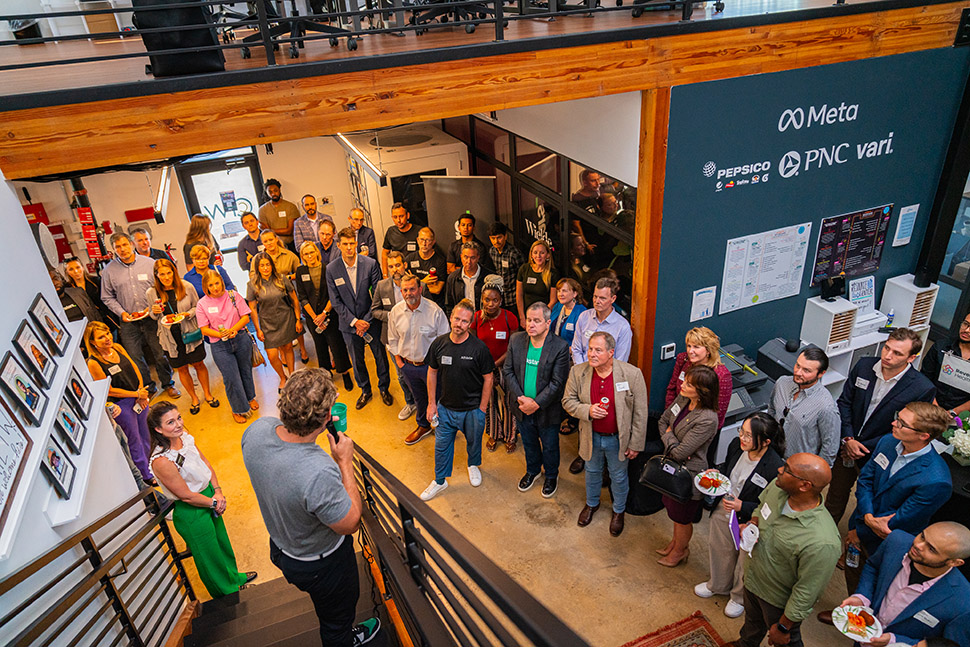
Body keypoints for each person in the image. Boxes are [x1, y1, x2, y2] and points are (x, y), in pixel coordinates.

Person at [241, 369, 381, 646]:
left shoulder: (256, 431)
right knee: (336, 621)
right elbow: (350, 522)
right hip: (321, 564)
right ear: (327, 418)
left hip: (282, 547)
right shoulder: (317, 471)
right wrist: (344, 462)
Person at [819, 402, 953, 614]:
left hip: (888, 541)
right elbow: (865, 481)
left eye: (902, 423)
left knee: (878, 585)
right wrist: (867, 518)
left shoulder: (936, 480)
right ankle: (850, 612)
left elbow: (901, 518)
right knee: (854, 572)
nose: (893, 423)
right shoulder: (888, 441)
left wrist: (860, 530)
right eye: (898, 417)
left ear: (924, 435)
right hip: (863, 522)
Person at [726, 454, 841, 647]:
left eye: (787, 469)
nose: (779, 470)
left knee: (785, 642)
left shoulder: (822, 541)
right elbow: (761, 507)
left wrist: (783, 627)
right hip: (753, 578)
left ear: (805, 486)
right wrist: (752, 524)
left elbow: (807, 592)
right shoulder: (778, 487)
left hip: (776, 601)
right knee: (752, 623)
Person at [148, 402, 256, 597]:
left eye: (178, 418)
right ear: (158, 429)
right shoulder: (162, 460)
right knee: (209, 556)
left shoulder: (185, 438)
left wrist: (217, 491)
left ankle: (234, 578)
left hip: (209, 496)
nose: (179, 424)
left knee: (222, 544)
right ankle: (227, 594)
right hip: (192, 510)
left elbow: (205, 463)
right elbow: (185, 495)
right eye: (170, 422)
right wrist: (214, 503)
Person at [828, 328, 936, 523]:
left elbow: (909, 428)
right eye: (886, 348)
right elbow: (844, 402)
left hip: (883, 453)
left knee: (869, 503)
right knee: (835, 496)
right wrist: (848, 439)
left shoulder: (922, 388)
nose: (887, 356)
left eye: (897, 353)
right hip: (847, 446)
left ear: (911, 358)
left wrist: (864, 447)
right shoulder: (864, 366)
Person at [694, 413, 785, 618]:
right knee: (719, 548)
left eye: (748, 436)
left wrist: (742, 506)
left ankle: (738, 598)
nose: (742, 438)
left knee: (744, 562)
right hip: (724, 507)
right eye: (741, 432)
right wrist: (715, 475)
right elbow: (727, 470)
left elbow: (770, 506)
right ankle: (717, 584)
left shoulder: (774, 467)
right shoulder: (736, 445)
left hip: (749, 518)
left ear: (766, 442)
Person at [562, 331, 647, 537]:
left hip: (618, 440)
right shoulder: (578, 373)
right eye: (590, 349)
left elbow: (640, 412)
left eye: (597, 350)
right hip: (591, 437)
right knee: (591, 472)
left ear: (611, 352)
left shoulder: (632, 374)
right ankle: (592, 505)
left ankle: (619, 511)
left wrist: (635, 444)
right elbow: (567, 401)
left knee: (618, 477)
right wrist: (587, 411)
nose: (591, 354)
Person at [839, 523, 970, 647]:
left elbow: (949, 644)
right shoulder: (896, 541)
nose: (918, 545)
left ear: (954, 562)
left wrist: (894, 640)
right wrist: (862, 596)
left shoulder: (963, 603)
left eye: (931, 549)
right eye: (922, 536)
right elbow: (873, 566)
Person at [421, 299, 495, 501]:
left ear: (470, 324)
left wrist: (482, 408)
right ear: (450, 318)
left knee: (473, 442)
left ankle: (473, 464)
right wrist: (431, 403)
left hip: (472, 410)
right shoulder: (439, 344)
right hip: (445, 409)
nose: (459, 324)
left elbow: (489, 378)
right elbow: (432, 372)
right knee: (442, 446)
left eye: (464, 321)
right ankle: (440, 481)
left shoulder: (479, 349)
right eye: (456, 319)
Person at [656, 365, 721, 566]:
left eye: (689, 384)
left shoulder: (708, 419)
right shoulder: (684, 399)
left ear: (703, 392)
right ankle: (675, 544)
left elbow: (680, 452)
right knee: (674, 513)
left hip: (689, 475)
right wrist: (670, 436)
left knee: (682, 518)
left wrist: (668, 435)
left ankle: (680, 551)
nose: (683, 385)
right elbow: (662, 420)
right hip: (673, 468)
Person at [504, 302, 570, 498]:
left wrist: (536, 403)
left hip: (547, 409)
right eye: (529, 320)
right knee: (529, 442)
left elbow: (558, 383)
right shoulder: (516, 340)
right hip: (522, 407)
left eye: (537, 321)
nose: (531, 324)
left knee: (550, 445)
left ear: (548, 323)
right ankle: (532, 471)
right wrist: (522, 399)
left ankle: (551, 475)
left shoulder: (560, 347)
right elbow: (508, 371)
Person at [101, 232, 178, 398]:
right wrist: (122, 313)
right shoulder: (109, 271)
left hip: (152, 318)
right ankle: (149, 388)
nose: (122, 249)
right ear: (113, 249)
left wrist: (154, 307)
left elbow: (161, 289)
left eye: (124, 245)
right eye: (118, 247)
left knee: (160, 353)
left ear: (131, 244)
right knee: (135, 357)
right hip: (128, 322)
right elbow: (106, 297)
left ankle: (168, 384)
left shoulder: (150, 263)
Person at [568, 276, 632, 474]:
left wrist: (600, 374)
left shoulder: (622, 327)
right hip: (584, 377)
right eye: (595, 296)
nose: (597, 301)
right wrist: (582, 373)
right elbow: (576, 348)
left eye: (603, 298)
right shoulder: (584, 317)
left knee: (604, 417)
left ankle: (605, 466)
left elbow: (620, 361)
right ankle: (584, 455)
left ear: (613, 299)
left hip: (608, 380)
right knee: (585, 415)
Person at [327, 227, 393, 410]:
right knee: (357, 360)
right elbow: (335, 301)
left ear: (356, 243)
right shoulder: (332, 269)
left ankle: (384, 388)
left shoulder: (370, 264)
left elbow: (377, 295)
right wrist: (355, 322)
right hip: (349, 325)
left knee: (380, 356)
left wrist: (365, 320)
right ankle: (365, 390)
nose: (349, 247)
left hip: (371, 321)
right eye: (345, 244)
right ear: (339, 245)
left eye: (352, 243)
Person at [84, 321, 154, 483]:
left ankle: (153, 464)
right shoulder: (93, 362)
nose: (107, 338)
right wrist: (135, 393)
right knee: (134, 440)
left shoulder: (117, 347)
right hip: (121, 405)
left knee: (146, 433)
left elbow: (134, 366)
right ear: (92, 342)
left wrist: (141, 391)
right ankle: (145, 475)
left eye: (107, 333)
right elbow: (108, 390)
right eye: (101, 337)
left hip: (139, 397)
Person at [147, 258, 218, 415]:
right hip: (169, 338)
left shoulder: (186, 286)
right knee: (182, 369)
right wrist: (154, 312)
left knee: (199, 364)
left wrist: (188, 314)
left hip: (190, 333)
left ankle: (207, 394)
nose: (166, 277)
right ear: (156, 275)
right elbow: (153, 316)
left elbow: (197, 307)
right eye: (162, 274)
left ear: (174, 271)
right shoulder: (152, 293)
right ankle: (193, 397)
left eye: (169, 273)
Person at [387, 273, 450, 446]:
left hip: (431, 367)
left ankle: (443, 428)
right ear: (401, 292)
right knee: (419, 398)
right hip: (408, 366)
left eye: (412, 289)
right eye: (405, 290)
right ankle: (423, 426)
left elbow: (445, 341)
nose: (409, 293)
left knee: (438, 398)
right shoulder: (396, 312)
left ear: (420, 289)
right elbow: (392, 339)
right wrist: (400, 363)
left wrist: (438, 366)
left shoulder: (434, 311)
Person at [195, 270, 258, 424]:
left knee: (246, 371)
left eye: (217, 283)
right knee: (231, 378)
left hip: (241, 339)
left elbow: (245, 317)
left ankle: (250, 397)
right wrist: (221, 333)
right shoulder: (202, 304)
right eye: (211, 285)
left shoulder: (233, 296)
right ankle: (238, 409)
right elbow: (204, 329)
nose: (215, 287)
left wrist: (234, 330)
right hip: (220, 345)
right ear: (206, 287)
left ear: (222, 282)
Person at [295, 241, 354, 391]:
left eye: (311, 252)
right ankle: (326, 376)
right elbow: (302, 297)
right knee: (320, 347)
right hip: (312, 317)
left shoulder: (328, 268)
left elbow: (334, 294)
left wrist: (324, 314)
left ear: (317, 252)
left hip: (330, 313)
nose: (310, 256)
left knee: (337, 344)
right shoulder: (301, 271)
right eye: (306, 254)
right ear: (302, 256)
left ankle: (345, 373)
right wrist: (315, 317)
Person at [766, 347, 840, 466]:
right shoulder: (782, 383)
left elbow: (829, 448)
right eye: (798, 365)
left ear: (821, 373)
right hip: (771, 456)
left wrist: (814, 476)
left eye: (806, 370)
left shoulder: (826, 406)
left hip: (797, 468)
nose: (798, 372)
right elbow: (772, 410)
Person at [470, 283, 519, 453]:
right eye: (487, 300)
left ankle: (510, 436)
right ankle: (494, 433)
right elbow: (473, 345)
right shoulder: (476, 318)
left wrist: (495, 364)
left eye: (495, 300)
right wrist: (484, 366)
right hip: (484, 369)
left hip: (505, 366)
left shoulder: (509, 317)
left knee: (508, 401)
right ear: (482, 300)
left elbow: (513, 348)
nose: (491, 304)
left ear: (501, 301)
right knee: (489, 401)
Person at [371, 252, 419, 421]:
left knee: (419, 371)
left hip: (415, 337)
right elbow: (375, 310)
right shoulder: (382, 286)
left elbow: (426, 307)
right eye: (391, 266)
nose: (395, 269)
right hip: (393, 339)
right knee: (401, 373)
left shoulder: (417, 284)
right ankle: (410, 402)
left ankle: (424, 403)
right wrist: (393, 315)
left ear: (405, 265)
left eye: (398, 265)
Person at [247, 251, 302, 391]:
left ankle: (292, 375)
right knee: (272, 355)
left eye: (267, 265)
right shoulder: (252, 284)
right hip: (267, 323)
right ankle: (283, 377)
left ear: (272, 265)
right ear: (257, 267)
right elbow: (252, 308)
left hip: (285, 318)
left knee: (288, 348)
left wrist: (297, 319)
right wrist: (258, 328)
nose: (265, 268)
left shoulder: (282, 279)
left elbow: (295, 299)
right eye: (262, 266)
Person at [665, 326, 733, 430]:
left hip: (699, 430)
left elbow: (718, 413)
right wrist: (669, 419)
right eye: (689, 346)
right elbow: (671, 389)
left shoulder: (721, 375)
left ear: (708, 350)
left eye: (696, 347)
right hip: (675, 420)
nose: (690, 351)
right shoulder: (683, 360)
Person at [920, 310, 970, 414]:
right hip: (930, 403)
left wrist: (954, 412)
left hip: (963, 413)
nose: (967, 330)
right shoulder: (940, 346)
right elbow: (924, 378)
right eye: (966, 324)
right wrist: (936, 407)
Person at [59, 261, 115, 330]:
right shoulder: (68, 289)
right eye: (71, 269)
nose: (76, 271)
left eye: (78, 267)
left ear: (82, 267)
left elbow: (109, 298)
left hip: (107, 318)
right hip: (88, 323)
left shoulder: (96, 281)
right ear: (66, 272)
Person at [516, 240, 559, 325]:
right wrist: (522, 317)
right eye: (535, 252)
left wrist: (541, 317)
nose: (538, 256)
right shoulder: (524, 269)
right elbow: (519, 295)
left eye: (542, 253)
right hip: (525, 316)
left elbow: (553, 300)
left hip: (542, 318)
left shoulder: (553, 274)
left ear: (548, 255)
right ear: (531, 255)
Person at [404, 226, 447, 307]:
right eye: (422, 240)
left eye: (428, 240)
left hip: (433, 304)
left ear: (433, 242)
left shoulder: (440, 260)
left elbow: (437, 290)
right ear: (417, 240)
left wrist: (414, 285)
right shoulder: (409, 259)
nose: (424, 244)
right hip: (414, 303)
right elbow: (405, 287)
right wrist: (424, 282)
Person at [488, 221, 524, 310]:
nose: (496, 241)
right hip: (498, 298)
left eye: (499, 237)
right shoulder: (492, 251)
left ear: (505, 236)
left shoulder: (514, 253)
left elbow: (523, 276)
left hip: (512, 299)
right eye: (493, 238)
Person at [258, 178, 300, 250]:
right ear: (267, 193)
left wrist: (271, 230)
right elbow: (267, 233)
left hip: (291, 245)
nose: (273, 194)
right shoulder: (262, 210)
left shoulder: (291, 207)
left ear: (279, 190)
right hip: (273, 247)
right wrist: (279, 231)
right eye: (270, 192)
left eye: (275, 190)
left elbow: (289, 231)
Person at [444, 243, 488, 313]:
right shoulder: (452, 278)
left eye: (472, 258)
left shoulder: (488, 277)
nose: (468, 261)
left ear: (478, 257)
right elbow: (449, 306)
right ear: (461, 257)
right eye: (466, 257)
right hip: (462, 321)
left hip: (483, 320)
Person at [381, 203, 420, 277]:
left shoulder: (418, 231)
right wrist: (385, 275)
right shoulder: (391, 231)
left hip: (415, 273)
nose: (398, 220)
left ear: (407, 216)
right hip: (398, 274)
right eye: (395, 217)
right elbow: (385, 253)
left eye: (401, 216)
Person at [550, 277, 586, 348]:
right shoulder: (558, 306)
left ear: (574, 294)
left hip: (570, 355)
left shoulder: (582, 312)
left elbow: (582, 341)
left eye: (564, 291)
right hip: (553, 351)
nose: (560, 294)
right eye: (559, 291)